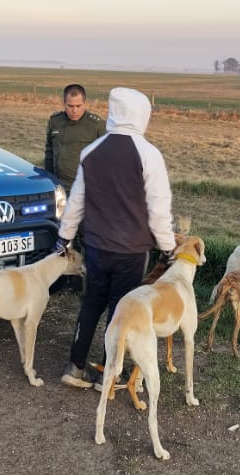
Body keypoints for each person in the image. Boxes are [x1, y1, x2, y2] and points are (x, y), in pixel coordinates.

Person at [55, 87, 177, 389]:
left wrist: (64, 237)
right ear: (141, 114)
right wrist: (168, 248)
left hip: (96, 245)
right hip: (132, 250)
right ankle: (109, 373)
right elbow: (158, 210)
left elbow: (76, 202)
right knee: (121, 310)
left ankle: (75, 366)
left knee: (92, 302)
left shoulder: (91, 152)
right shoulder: (149, 155)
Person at [43, 84, 106, 192]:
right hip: (57, 185)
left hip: (84, 188)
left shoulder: (96, 125)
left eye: (78, 106)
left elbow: (105, 159)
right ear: (64, 103)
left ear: (85, 104)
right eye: (70, 106)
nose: (74, 110)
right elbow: (49, 151)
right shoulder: (55, 121)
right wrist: (49, 178)